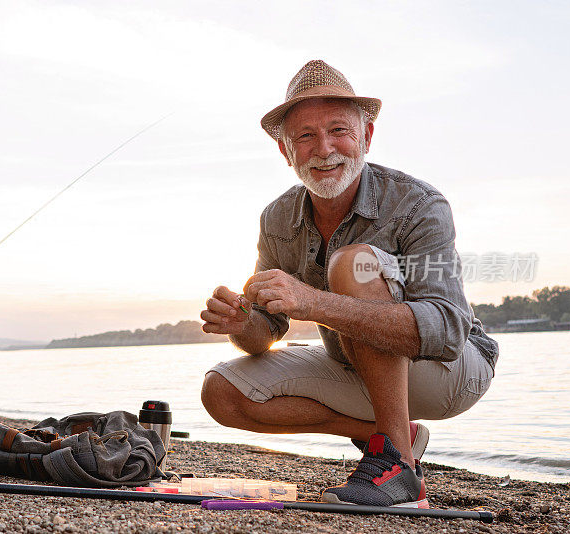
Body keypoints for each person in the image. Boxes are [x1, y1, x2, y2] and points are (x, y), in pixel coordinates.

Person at [199, 60, 498, 508]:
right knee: (221, 393)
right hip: (357, 366)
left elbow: (448, 330)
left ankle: (399, 469)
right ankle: (387, 438)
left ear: (367, 137)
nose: (324, 148)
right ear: (286, 152)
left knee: (352, 263)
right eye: (305, 136)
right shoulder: (277, 217)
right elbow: (268, 333)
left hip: (449, 371)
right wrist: (244, 324)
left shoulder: (419, 203)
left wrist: (314, 302)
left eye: (339, 130)